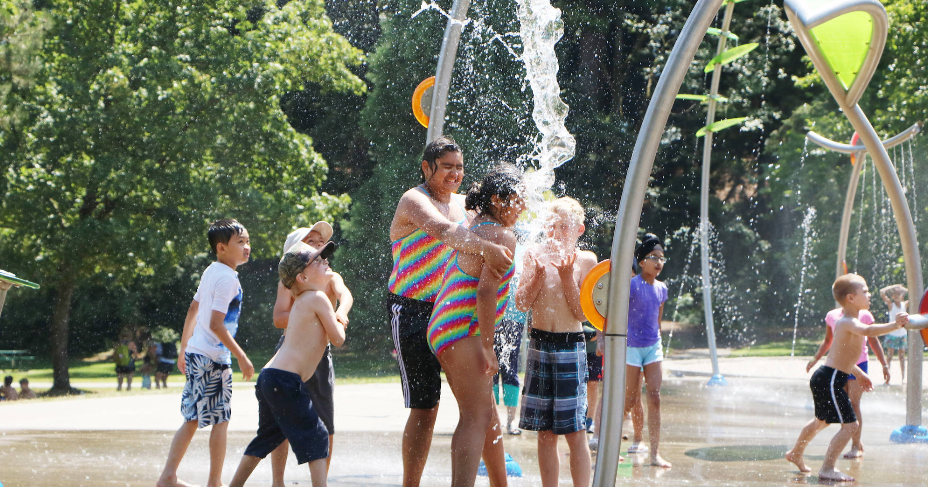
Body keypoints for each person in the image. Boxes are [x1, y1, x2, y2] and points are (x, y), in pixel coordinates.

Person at [387, 136, 513, 487]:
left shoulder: (464, 207)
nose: (455, 173)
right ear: (427, 168)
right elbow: (443, 232)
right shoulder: (414, 199)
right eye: (447, 167)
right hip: (411, 310)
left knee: (481, 406)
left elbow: (495, 217)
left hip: (451, 313)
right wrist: (488, 248)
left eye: (459, 167)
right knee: (426, 407)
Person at [427, 165, 525, 487]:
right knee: (476, 418)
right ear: (497, 199)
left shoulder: (477, 226)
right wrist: (487, 345)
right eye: (518, 199)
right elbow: (485, 291)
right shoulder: (502, 234)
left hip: (443, 325)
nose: (523, 207)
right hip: (462, 330)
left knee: (487, 417)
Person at [230, 241, 345, 487]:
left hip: (271, 376)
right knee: (318, 436)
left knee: (267, 437)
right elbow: (337, 338)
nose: (325, 261)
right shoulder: (317, 298)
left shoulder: (304, 300)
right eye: (318, 260)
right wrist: (341, 317)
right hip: (284, 380)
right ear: (302, 276)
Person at [156, 219, 254, 487]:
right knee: (220, 419)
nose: (247, 247)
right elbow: (215, 324)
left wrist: (184, 347)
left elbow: (193, 309)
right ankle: (214, 482)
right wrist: (241, 356)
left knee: (192, 417)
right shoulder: (228, 280)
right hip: (213, 357)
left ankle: (168, 477)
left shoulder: (211, 271)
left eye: (247, 241)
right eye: (240, 242)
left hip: (197, 353)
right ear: (221, 248)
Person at [786, 273, 907, 481]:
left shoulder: (848, 322)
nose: (869, 295)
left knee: (821, 421)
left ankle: (795, 452)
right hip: (831, 378)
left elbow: (842, 357)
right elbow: (869, 330)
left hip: (829, 376)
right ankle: (827, 468)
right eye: (866, 291)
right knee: (851, 426)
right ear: (851, 298)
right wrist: (895, 325)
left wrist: (859, 374)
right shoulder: (848, 322)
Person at [515, 197, 598, 487]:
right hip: (539, 345)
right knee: (545, 432)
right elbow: (522, 302)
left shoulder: (585, 260)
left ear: (579, 229)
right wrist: (537, 278)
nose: (557, 233)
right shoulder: (534, 254)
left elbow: (582, 313)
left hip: (569, 346)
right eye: (551, 226)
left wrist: (566, 278)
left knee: (575, 430)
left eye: (565, 227)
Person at [269, 221, 353, 486]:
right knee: (281, 422)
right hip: (290, 355)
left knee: (325, 423)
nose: (319, 247)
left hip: (319, 356)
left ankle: (321, 480)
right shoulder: (290, 283)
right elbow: (278, 317)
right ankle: (278, 481)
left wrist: (340, 311)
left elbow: (345, 294)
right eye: (311, 242)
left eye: (321, 243)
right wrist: (308, 314)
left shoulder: (328, 275)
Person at [806, 303, 889, 459]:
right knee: (844, 406)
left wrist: (884, 364)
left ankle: (856, 446)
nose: (869, 297)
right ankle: (853, 442)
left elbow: (873, 340)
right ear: (849, 297)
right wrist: (815, 358)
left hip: (859, 364)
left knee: (854, 404)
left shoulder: (865, 315)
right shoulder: (832, 316)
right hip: (840, 365)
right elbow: (828, 341)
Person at [622, 233, 671, 468]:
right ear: (641, 262)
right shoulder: (631, 285)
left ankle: (654, 454)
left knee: (655, 397)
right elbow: (616, 314)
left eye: (661, 258)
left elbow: (658, 321)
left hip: (653, 346)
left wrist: (658, 346)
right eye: (653, 257)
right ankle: (609, 447)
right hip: (631, 346)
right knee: (629, 400)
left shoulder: (662, 289)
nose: (658, 262)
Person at [493, 242, 529, 437]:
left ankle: (510, 421)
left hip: (514, 319)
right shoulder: (496, 247)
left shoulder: (523, 253)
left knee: (509, 369)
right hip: (492, 317)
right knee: (490, 369)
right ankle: (493, 420)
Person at [880, 284, 907, 385]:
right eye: (894, 294)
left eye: (898, 294)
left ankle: (903, 377)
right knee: (889, 356)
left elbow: (914, 294)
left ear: (902, 296)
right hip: (892, 334)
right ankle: (887, 378)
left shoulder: (905, 304)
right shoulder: (891, 304)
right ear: (892, 296)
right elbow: (882, 292)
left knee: (902, 357)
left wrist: (903, 289)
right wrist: (894, 286)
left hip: (902, 334)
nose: (896, 296)